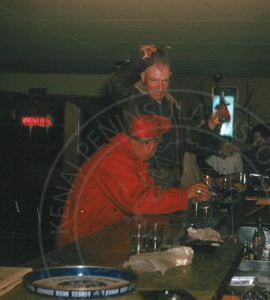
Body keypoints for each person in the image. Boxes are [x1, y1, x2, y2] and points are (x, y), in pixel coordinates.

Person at [56, 115, 210, 247]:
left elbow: (153, 191)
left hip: (106, 235)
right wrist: (183, 196)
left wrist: (185, 195)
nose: (157, 149)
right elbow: (139, 202)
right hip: (83, 242)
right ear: (149, 144)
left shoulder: (132, 157)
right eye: (159, 145)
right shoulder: (113, 159)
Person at [109, 44, 223, 189]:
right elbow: (117, 84)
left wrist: (211, 125)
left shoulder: (173, 107)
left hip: (172, 179)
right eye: (154, 81)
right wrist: (140, 61)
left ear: (170, 76)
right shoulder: (133, 100)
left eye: (164, 81)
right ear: (143, 77)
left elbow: (191, 141)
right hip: (142, 177)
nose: (160, 88)